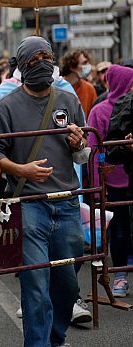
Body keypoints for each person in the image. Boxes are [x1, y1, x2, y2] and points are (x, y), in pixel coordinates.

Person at [0, 36, 90, 346]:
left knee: (66, 282)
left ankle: (56, 335)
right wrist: (21, 170)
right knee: (35, 281)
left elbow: (83, 154)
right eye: (34, 59)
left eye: (47, 56)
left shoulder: (68, 101)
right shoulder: (5, 106)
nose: (43, 63)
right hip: (29, 204)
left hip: (67, 202)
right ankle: (38, 343)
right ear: (21, 66)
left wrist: (79, 145)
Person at [87, 64, 133, 297]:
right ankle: (120, 276)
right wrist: (97, 186)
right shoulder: (100, 111)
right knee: (118, 231)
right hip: (113, 182)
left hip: (130, 176)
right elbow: (93, 151)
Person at [60, 50, 97, 117]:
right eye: (84, 63)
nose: (88, 66)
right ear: (72, 67)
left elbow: (94, 115)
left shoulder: (89, 88)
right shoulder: (58, 87)